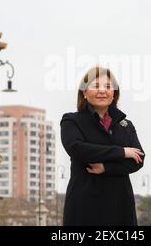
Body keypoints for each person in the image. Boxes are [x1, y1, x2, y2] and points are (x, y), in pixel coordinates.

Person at [60, 66, 145, 226]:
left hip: (120, 204)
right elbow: (77, 149)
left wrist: (106, 168)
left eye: (107, 87)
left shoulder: (125, 125)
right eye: (96, 86)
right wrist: (121, 152)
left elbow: (138, 159)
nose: (102, 91)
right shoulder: (71, 121)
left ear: (114, 94)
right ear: (84, 92)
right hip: (85, 202)